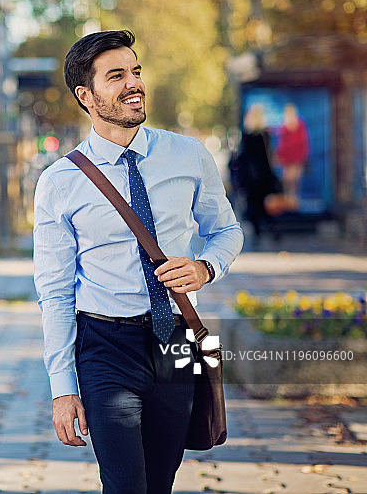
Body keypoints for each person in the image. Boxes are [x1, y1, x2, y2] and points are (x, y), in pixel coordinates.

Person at [33, 30, 243, 494]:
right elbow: (54, 290)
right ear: (86, 96)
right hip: (104, 345)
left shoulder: (187, 155)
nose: (134, 83)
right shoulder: (59, 182)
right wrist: (62, 388)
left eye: (136, 71)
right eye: (116, 76)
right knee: (125, 484)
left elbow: (226, 231)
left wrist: (206, 267)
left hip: (174, 340)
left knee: (160, 480)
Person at [228, 104, 282, 241]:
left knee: (253, 206)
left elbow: (243, 157)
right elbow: (267, 157)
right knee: (263, 206)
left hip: (251, 178)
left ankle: (259, 233)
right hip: (263, 177)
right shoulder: (265, 135)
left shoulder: (248, 136)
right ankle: (272, 229)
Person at [274, 103, 309, 207]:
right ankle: (288, 202)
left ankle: (295, 202)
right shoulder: (283, 127)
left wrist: (303, 158)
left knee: (295, 181)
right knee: (287, 181)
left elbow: (304, 143)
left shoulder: (300, 125)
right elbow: (280, 144)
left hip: (297, 159)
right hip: (286, 160)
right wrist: (279, 157)